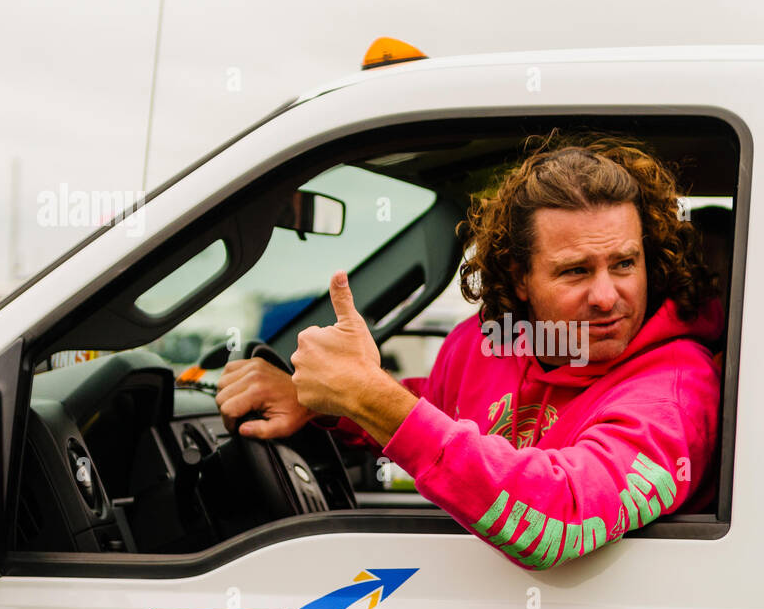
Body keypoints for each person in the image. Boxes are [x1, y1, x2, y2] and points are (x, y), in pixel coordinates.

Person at [215, 133, 724, 569]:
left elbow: (563, 519)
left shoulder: (674, 389)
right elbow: (433, 411)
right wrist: (320, 401)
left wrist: (370, 398)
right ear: (521, 278)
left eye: (624, 263)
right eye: (575, 271)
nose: (607, 296)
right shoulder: (490, 345)